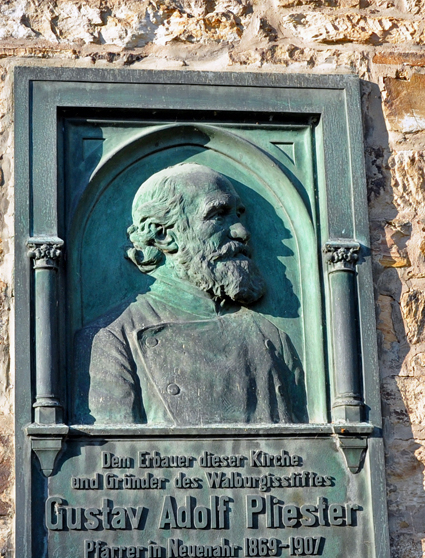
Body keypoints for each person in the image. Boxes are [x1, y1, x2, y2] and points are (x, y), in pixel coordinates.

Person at [74, 163, 306, 425]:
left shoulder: (271, 338)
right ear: (163, 236)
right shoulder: (114, 339)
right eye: (218, 215)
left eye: (238, 215)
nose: (241, 232)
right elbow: (111, 456)